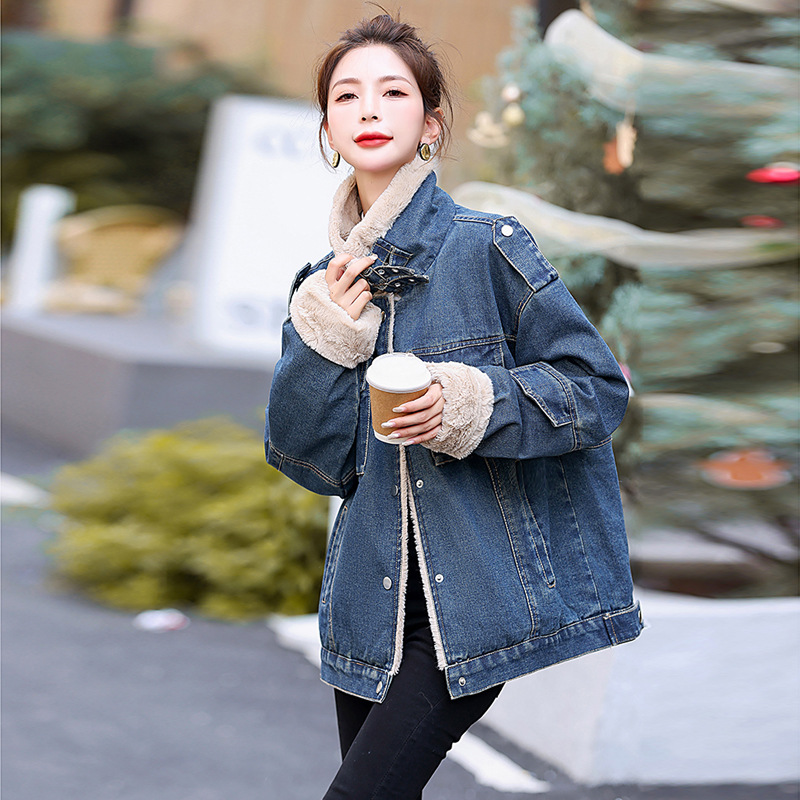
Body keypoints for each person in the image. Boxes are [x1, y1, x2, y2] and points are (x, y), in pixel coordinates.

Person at [264, 13, 643, 799]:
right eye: (347, 95)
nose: (369, 109)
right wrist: (326, 341)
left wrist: (470, 404)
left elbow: (595, 387)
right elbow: (311, 461)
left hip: (472, 598)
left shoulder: (486, 244)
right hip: (369, 604)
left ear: (430, 125)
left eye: (393, 92)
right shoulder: (320, 287)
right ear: (329, 131)